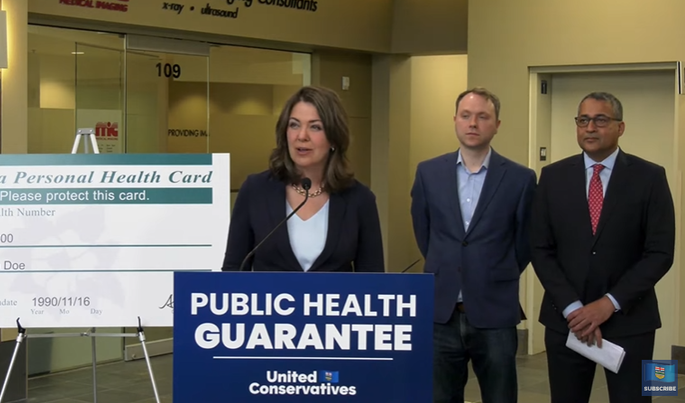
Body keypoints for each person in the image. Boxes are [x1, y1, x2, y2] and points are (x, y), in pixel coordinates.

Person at [530, 91, 675, 403]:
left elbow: (661, 253)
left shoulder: (650, 177)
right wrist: (573, 309)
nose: (590, 128)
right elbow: (540, 249)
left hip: (631, 321)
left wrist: (608, 303)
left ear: (620, 127)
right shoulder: (552, 177)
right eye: (583, 120)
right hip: (567, 321)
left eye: (600, 120)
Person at [410, 87, 537, 403]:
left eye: (482, 117)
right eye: (466, 116)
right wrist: (448, 264)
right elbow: (424, 232)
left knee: (500, 396)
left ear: (497, 124)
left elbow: (525, 242)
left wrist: (495, 270)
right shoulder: (428, 172)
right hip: (441, 312)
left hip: (495, 310)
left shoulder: (520, 178)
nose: (473, 123)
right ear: (455, 119)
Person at [221, 85, 384, 273]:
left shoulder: (360, 199)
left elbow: (374, 279)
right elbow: (233, 270)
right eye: (294, 125)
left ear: (334, 138)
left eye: (315, 127)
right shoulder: (255, 190)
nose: (302, 136)